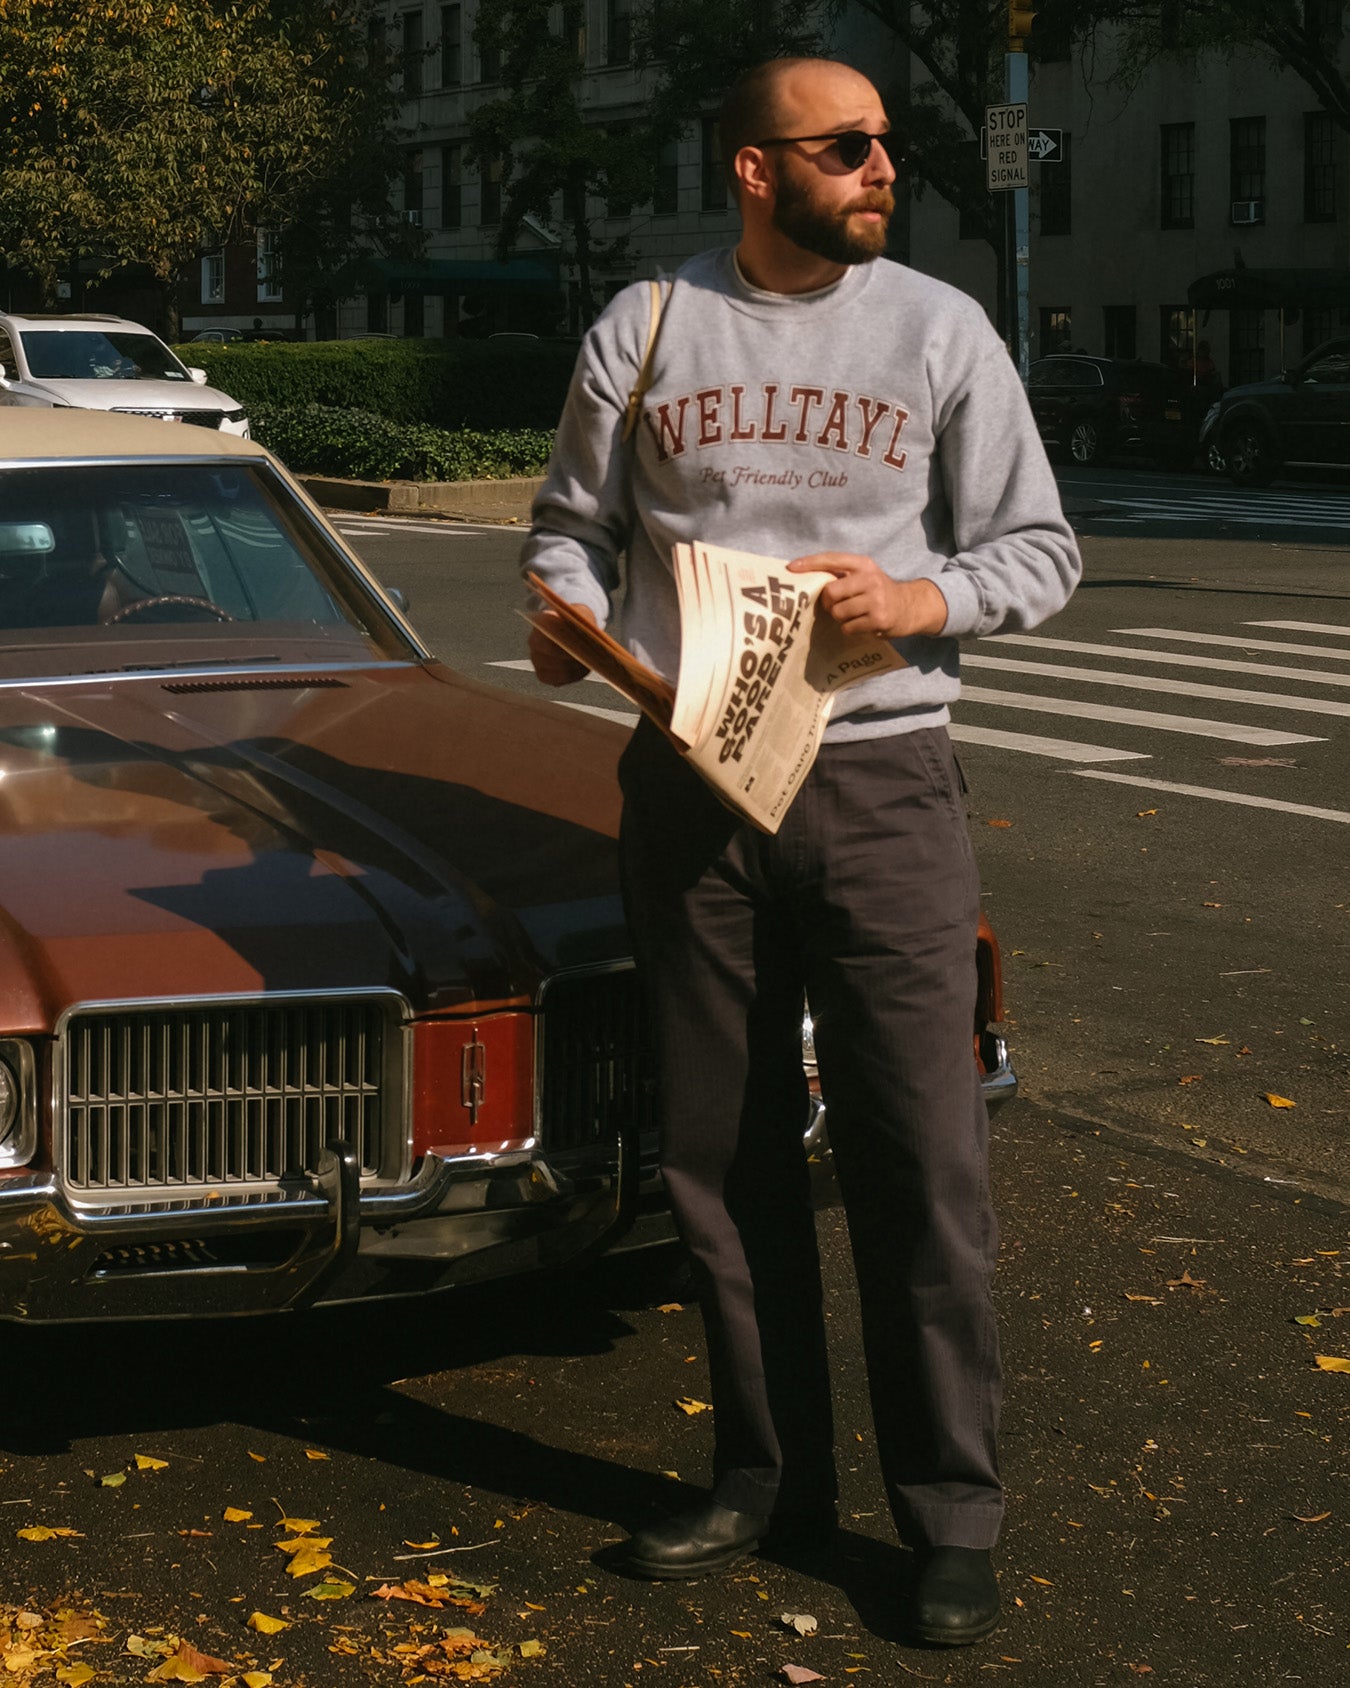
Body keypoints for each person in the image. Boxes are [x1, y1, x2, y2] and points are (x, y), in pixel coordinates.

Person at [521, 56, 1081, 1648]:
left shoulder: (936, 328)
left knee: (918, 1153)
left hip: (880, 782)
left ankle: (947, 1513)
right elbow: (572, 519)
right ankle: (759, 1475)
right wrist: (562, 608)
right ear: (757, 168)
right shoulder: (642, 328)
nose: (880, 171)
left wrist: (920, 602)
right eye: (845, 150)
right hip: (691, 781)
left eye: (885, 149)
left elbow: (1039, 550)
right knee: (720, 1151)